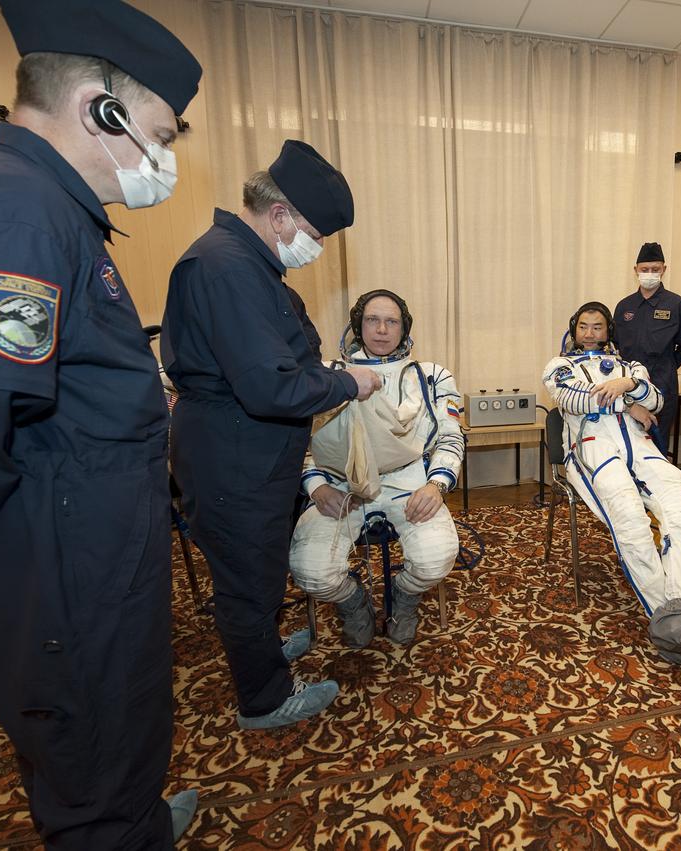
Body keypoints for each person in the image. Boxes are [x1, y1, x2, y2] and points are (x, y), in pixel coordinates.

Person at [0, 1, 203, 846]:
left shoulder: (50, 210)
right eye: (160, 136)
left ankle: (131, 811)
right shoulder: (10, 213)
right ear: (102, 108)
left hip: (93, 546)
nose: (162, 160)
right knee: (90, 748)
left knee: (119, 731)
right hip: (65, 563)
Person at [161, 141, 382, 731]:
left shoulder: (255, 266)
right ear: (280, 215)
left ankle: (260, 653)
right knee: (244, 581)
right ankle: (264, 699)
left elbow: (288, 359)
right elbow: (269, 386)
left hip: (254, 452)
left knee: (257, 570)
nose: (314, 247)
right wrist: (346, 386)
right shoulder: (226, 266)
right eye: (313, 232)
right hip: (232, 455)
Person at [542, 303, 681, 665]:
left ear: (609, 331)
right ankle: (669, 619)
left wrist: (629, 384)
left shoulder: (630, 367)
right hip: (592, 448)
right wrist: (628, 402)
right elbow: (574, 399)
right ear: (573, 329)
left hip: (639, 447)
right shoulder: (559, 366)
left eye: (598, 327)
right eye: (583, 326)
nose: (590, 333)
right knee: (629, 515)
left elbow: (657, 399)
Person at [290, 290, 464, 646]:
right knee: (310, 570)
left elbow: (450, 435)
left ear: (404, 328)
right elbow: (302, 442)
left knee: (436, 559)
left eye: (391, 321)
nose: (382, 330)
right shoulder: (327, 375)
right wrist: (316, 487)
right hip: (342, 487)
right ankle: (354, 603)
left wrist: (437, 485)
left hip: (410, 483)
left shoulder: (431, 377)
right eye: (372, 320)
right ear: (358, 325)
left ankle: (404, 596)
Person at [613, 242, 681, 456]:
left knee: (658, 442)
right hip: (629, 386)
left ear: (664, 270)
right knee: (626, 442)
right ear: (636, 270)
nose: (649, 274)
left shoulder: (678, 305)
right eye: (645, 269)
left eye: (655, 269)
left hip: (662, 384)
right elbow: (615, 344)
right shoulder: (624, 306)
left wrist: (667, 366)